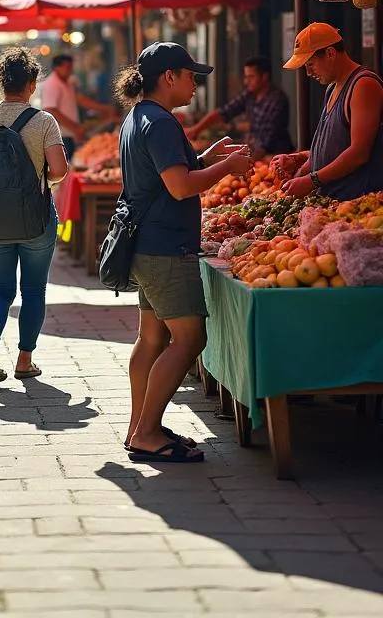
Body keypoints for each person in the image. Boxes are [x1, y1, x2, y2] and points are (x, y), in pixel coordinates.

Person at [115, 43, 253, 464]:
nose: (196, 84)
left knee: (152, 337)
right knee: (190, 338)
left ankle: (140, 425)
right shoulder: (160, 122)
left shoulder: (139, 117)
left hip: (146, 243)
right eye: (191, 75)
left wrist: (209, 157)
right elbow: (179, 186)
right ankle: (148, 432)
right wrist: (226, 170)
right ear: (169, 77)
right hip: (164, 246)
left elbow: (170, 174)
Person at [0, 46, 69, 383]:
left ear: (1, 83)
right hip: (36, 219)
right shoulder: (44, 121)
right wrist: (37, 176)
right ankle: (24, 360)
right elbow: (59, 170)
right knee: (33, 291)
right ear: (32, 84)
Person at [280, 24, 383, 200]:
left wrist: (311, 180)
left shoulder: (363, 85)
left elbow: (359, 153)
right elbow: (329, 146)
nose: (308, 73)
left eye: (310, 64)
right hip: (331, 203)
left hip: (358, 204)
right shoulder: (331, 89)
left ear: (330, 53)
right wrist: (298, 173)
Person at [185, 56, 294, 158]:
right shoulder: (249, 95)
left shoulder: (277, 100)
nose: (246, 82)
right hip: (253, 155)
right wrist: (196, 129)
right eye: (245, 77)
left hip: (274, 157)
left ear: (264, 77)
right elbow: (224, 112)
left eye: (251, 77)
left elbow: (268, 141)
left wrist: (242, 161)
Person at [39, 53, 117, 162]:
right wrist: (75, 128)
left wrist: (105, 108)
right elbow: (51, 111)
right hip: (60, 136)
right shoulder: (51, 85)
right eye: (67, 68)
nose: (70, 71)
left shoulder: (69, 82)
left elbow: (80, 100)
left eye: (71, 68)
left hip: (70, 135)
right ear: (57, 68)